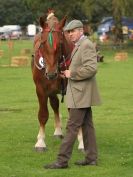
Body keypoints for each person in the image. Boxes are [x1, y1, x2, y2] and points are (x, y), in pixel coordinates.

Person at [44, 19, 101, 169]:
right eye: (68, 32)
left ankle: (61, 161)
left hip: (80, 94)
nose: (70, 34)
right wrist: (67, 74)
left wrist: (72, 73)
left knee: (71, 127)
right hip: (81, 93)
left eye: (72, 31)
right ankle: (91, 158)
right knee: (87, 126)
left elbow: (91, 68)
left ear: (81, 31)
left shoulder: (86, 45)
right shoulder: (80, 45)